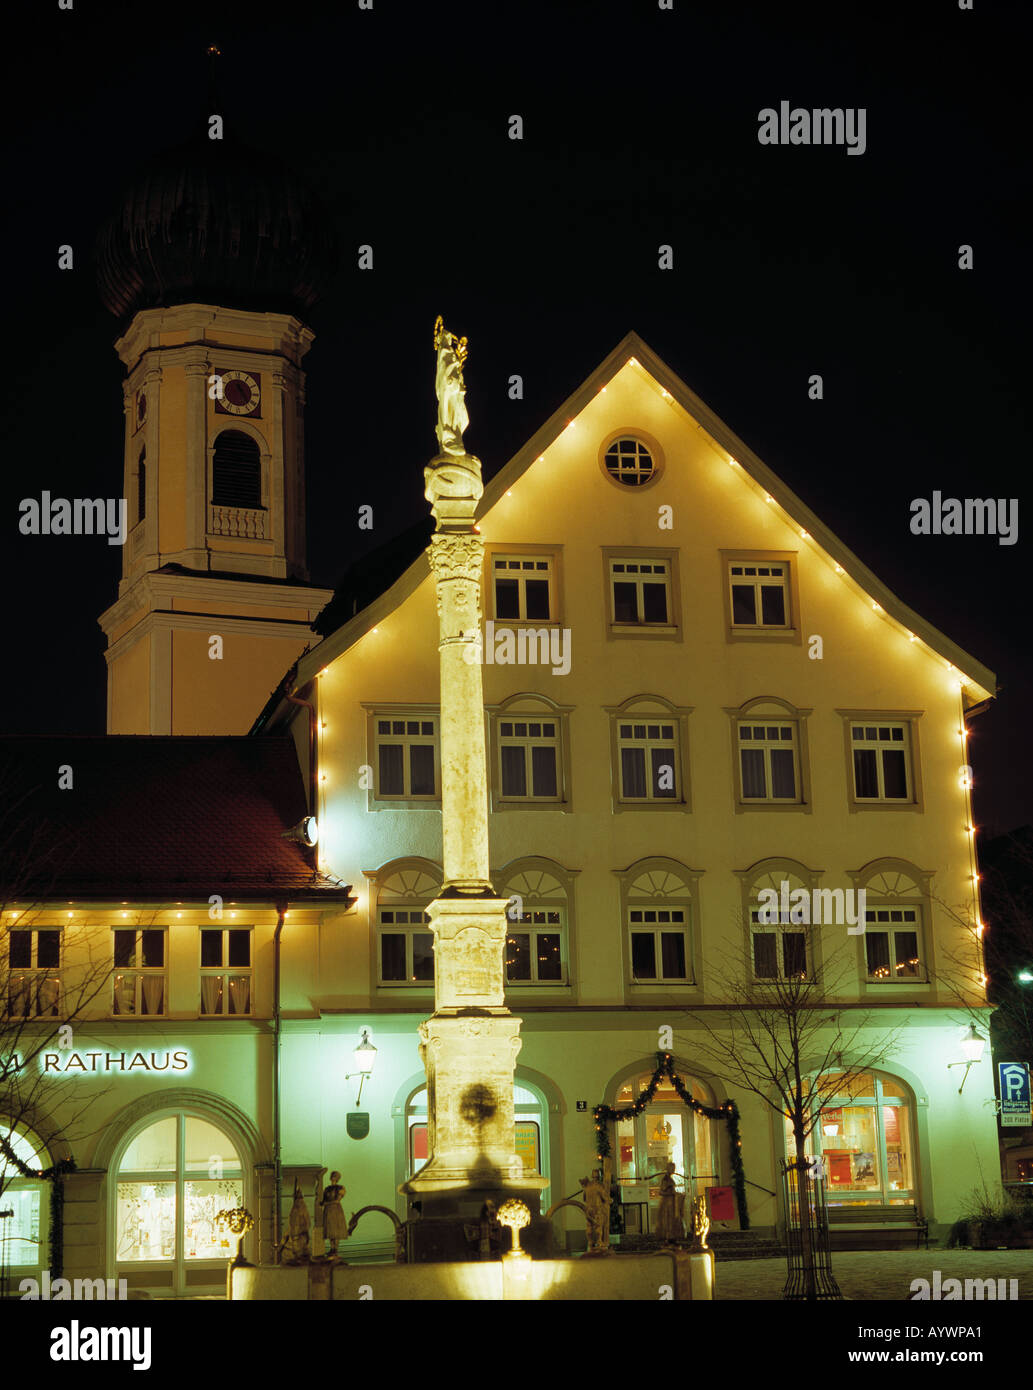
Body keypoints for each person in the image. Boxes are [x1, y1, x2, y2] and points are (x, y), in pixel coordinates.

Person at [321, 1171, 348, 1258]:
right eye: (333, 1176)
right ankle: (332, 1249)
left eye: (335, 1176)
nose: (333, 1177)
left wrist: (326, 1204)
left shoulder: (340, 1188)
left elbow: (337, 1200)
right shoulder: (327, 1189)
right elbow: (323, 1201)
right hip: (328, 1210)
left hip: (335, 1210)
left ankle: (335, 1249)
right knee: (330, 1230)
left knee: (336, 1230)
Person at [655, 1161, 684, 1243]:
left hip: (671, 1203)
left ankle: (671, 1235)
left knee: (671, 1219)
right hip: (668, 1203)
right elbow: (662, 1191)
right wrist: (673, 1193)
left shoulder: (669, 1178)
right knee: (668, 1219)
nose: (674, 1170)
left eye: (674, 1168)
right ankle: (669, 1236)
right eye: (672, 1168)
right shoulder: (666, 1179)